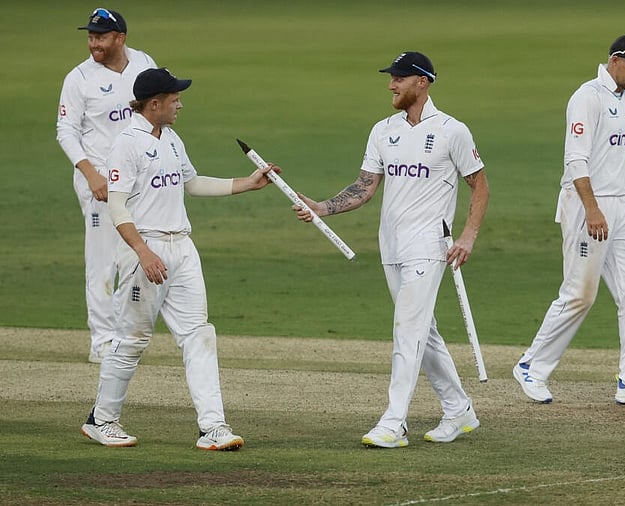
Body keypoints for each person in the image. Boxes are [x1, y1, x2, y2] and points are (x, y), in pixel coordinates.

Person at [294, 51, 489, 448]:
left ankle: (394, 422)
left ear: (422, 82)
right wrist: (323, 208)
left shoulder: (453, 131)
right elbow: (365, 185)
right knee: (424, 331)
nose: (391, 85)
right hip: (391, 243)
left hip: (429, 244)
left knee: (407, 329)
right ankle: (459, 409)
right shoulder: (383, 130)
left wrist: (468, 235)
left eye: (399, 78)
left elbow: (480, 185)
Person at [80, 68, 279, 449]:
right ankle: (102, 420)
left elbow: (192, 183)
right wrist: (143, 252)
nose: (180, 105)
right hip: (146, 249)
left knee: (199, 335)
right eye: (175, 99)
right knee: (133, 338)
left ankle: (213, 428)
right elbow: (117, 208)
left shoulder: (170, 138)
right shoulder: (127, 143)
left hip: (182, 248)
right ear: (154, 104)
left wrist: (246, 184)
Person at [512, 35, 625, 406]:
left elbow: (619, 155)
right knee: (580, 294)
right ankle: (531, 366)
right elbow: (576, 160)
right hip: (587, 204)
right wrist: (593, 208)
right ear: (614, 61)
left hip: (622, 205)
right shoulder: (587, 97)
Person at [56, 8, 157, 363]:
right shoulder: (79, 78)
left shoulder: (143, 62)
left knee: (131, 256)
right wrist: (89, 173)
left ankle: (123, 336)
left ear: (120, 38)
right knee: (102, 262)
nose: (93, 43)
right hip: (97, 178)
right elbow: (65, 131)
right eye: (90, 37)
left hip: (138, 177)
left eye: (100, 37)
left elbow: (156, 109)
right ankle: (101, 342)